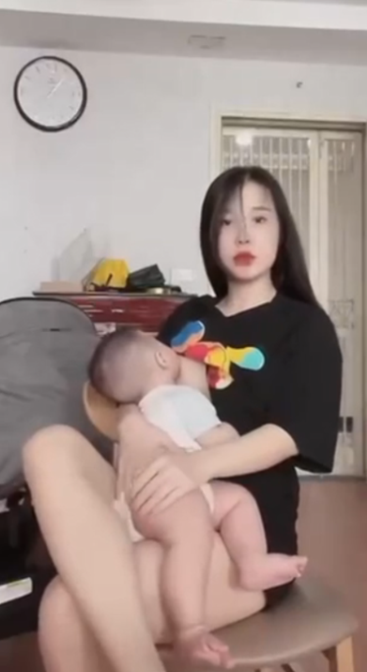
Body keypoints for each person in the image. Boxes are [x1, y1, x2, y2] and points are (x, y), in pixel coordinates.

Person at [25, 165, 342, 672]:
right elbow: (129, 385)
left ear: (282, 232)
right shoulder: (187, 319)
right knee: (47, 446)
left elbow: (289, 435)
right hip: (148, 502)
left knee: (63, 608)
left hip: (238, 532)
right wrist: (131, 425)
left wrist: (197, 467)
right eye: (227, 222)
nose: (243, 234)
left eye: (259, 219)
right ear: (210, 236)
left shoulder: (305, 327)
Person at [87, 328, 308, 667]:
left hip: (152, 496)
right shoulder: (181, 399)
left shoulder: (141, 413)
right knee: (193, 538)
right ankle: (189, 627)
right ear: (162, 358)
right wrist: (225, 423)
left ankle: (250, 564)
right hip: (170, 493)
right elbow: (219, 441)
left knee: (235, 499)